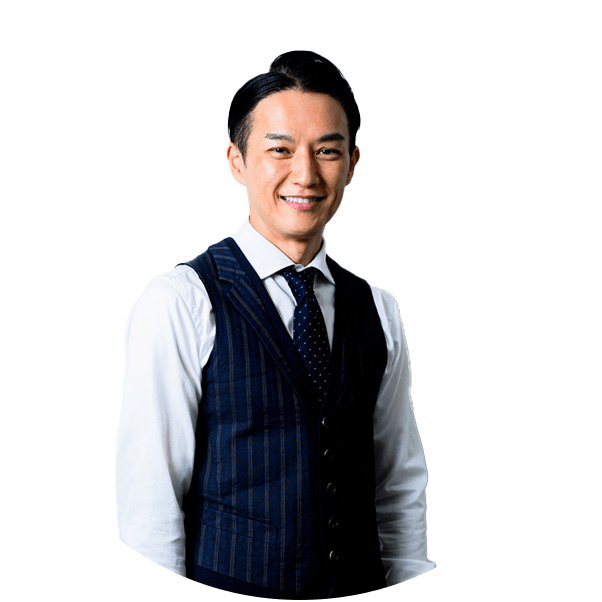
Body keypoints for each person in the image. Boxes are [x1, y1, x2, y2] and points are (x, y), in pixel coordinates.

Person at [116, 50, 435, 599]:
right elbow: (150, 500)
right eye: (280, 150)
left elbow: (397, 484)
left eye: (327, 151)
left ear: (352, 163)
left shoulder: (378, 309)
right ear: (237, 161)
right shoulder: (180, 301)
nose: (305, 175)